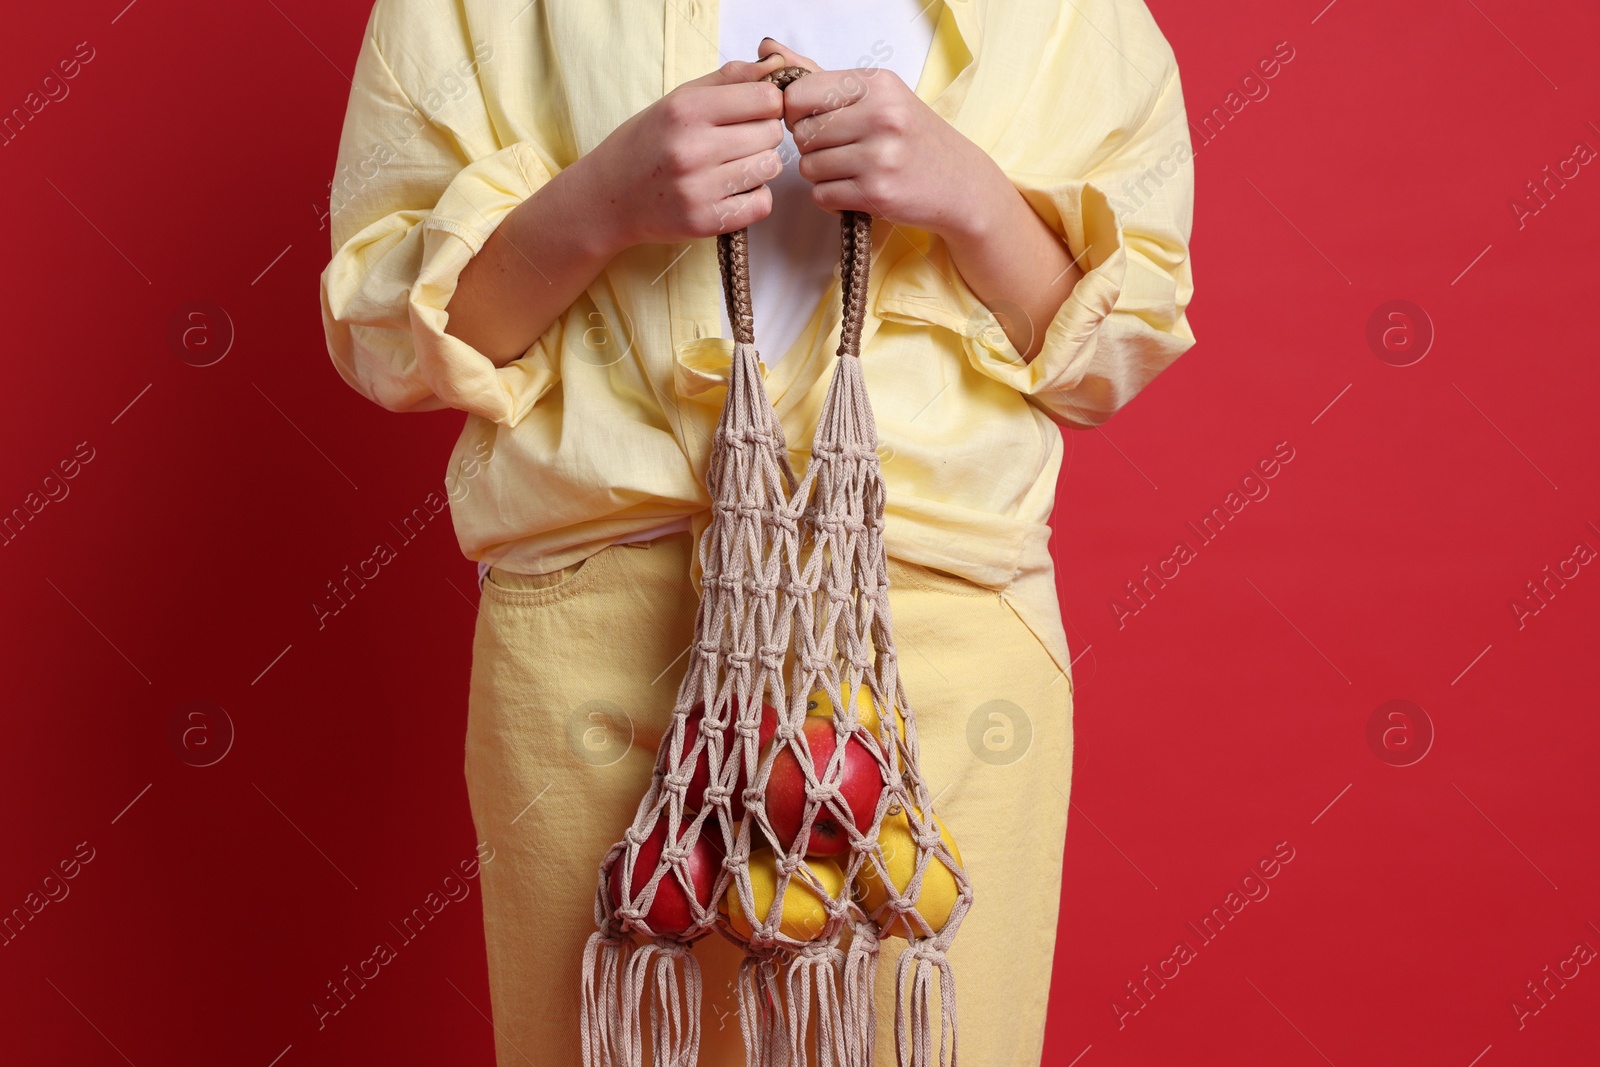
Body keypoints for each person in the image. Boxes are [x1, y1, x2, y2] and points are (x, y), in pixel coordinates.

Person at [319, 0, 1195, 1062]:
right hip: (598, 648)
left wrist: (975, 201)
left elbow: (1112, 355)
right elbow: (395, 344)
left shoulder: (1069, 16)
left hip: (937, 650)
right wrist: (595, 203)